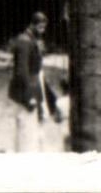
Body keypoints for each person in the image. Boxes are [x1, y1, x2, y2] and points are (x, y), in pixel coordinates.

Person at [7, 11, 62, 152]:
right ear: (32, 24)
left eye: (43, 28)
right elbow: (21, 72)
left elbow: (39, 72)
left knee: (35, 132)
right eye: (39, 28)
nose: (42, 32)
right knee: (26, 133)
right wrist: (29, 97)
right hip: (26, 93)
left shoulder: (32, 41)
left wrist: (50, 98)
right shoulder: (24, 41)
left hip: (35, 89)